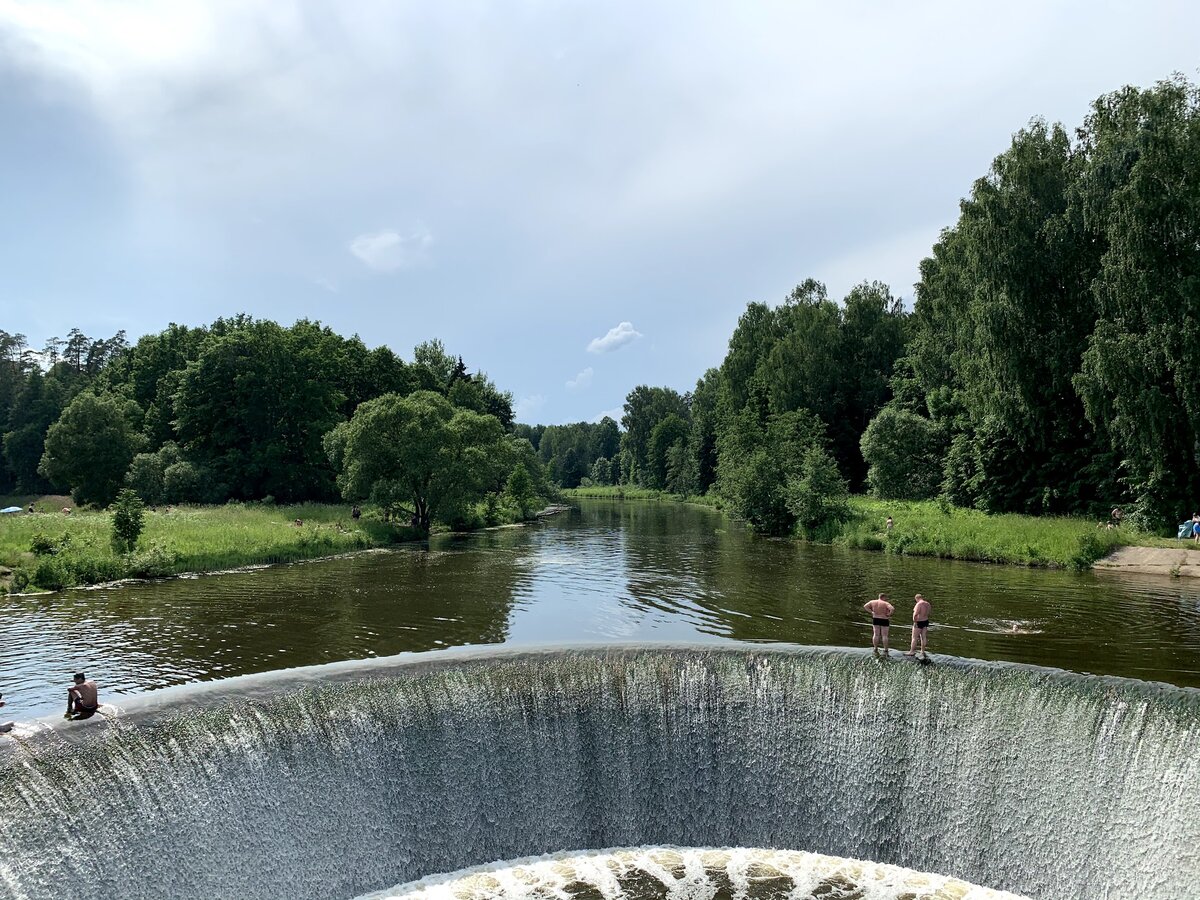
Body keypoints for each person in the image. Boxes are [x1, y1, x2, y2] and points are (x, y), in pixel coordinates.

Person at [905, 594, 931, 660]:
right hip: (925, 621)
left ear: (916, 598)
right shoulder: (927, 604)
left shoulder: (919, 604)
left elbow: (915, 614)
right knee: (923, 636)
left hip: (919, 621)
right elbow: (928, 612)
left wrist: (915, 622)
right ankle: (922, 651)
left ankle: (912, 651)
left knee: (914, 637)